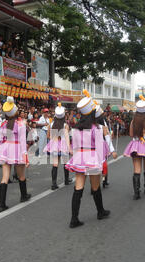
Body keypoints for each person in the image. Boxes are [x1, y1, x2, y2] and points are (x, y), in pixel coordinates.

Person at [65, 90, 110, 228]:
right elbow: (99, 148)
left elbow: (75, 146)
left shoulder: (76, 128)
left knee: (78, 187)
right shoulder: (96, 128)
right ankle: (100, 212)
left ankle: (74, 219)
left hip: (79, 157)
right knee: (95, 187)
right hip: (92, 157)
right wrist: (102, 164)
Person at [0, 97, 31, 212]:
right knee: (21, 176)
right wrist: (26, 158)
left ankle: (1, 204)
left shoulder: (4, 124)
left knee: (5, 177)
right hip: (17, 149)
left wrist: (0, 149)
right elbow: (23, 144)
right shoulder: (21, 124)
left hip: (6, 149)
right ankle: (23, 196)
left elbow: (0, 140)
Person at [43, 103, 72, 190]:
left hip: (54, 144)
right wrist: (70, 148)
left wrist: (54, 138)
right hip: (63, 144)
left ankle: (54, 183)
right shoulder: (65, 125)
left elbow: (48, 136)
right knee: (65, 163)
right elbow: (67, 137)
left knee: (55, 164)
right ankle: (66, 180)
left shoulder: (51, 124)